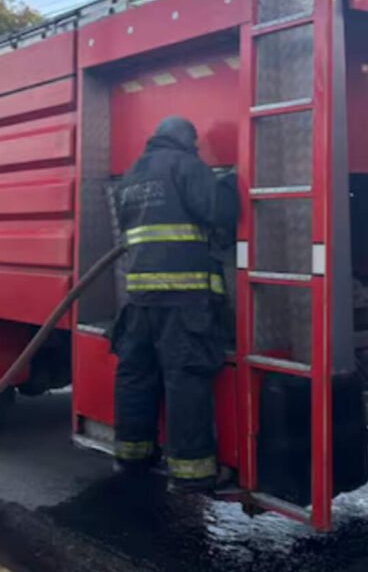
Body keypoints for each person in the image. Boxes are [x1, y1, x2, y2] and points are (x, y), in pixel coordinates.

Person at [112, 116, 239, 493]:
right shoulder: (188, 166)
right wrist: (231, 182)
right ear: (187, 141)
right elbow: (219, 212)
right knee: (186, 379)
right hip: (184, 299)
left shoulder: (133, 176)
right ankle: (192, 471)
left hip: (139, 298)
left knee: (135, 374)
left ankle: (132, 453)